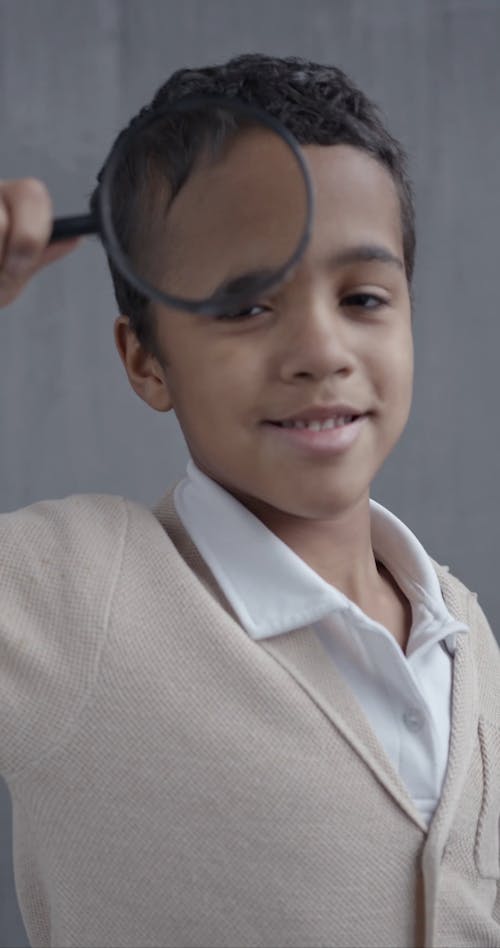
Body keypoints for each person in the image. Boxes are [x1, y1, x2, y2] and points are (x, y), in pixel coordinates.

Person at [0, 53, 498, 948]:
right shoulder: (66, 597)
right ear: (146, 360)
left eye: (364, 297)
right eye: (243, 307)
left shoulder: (461, 630)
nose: (320, 348)